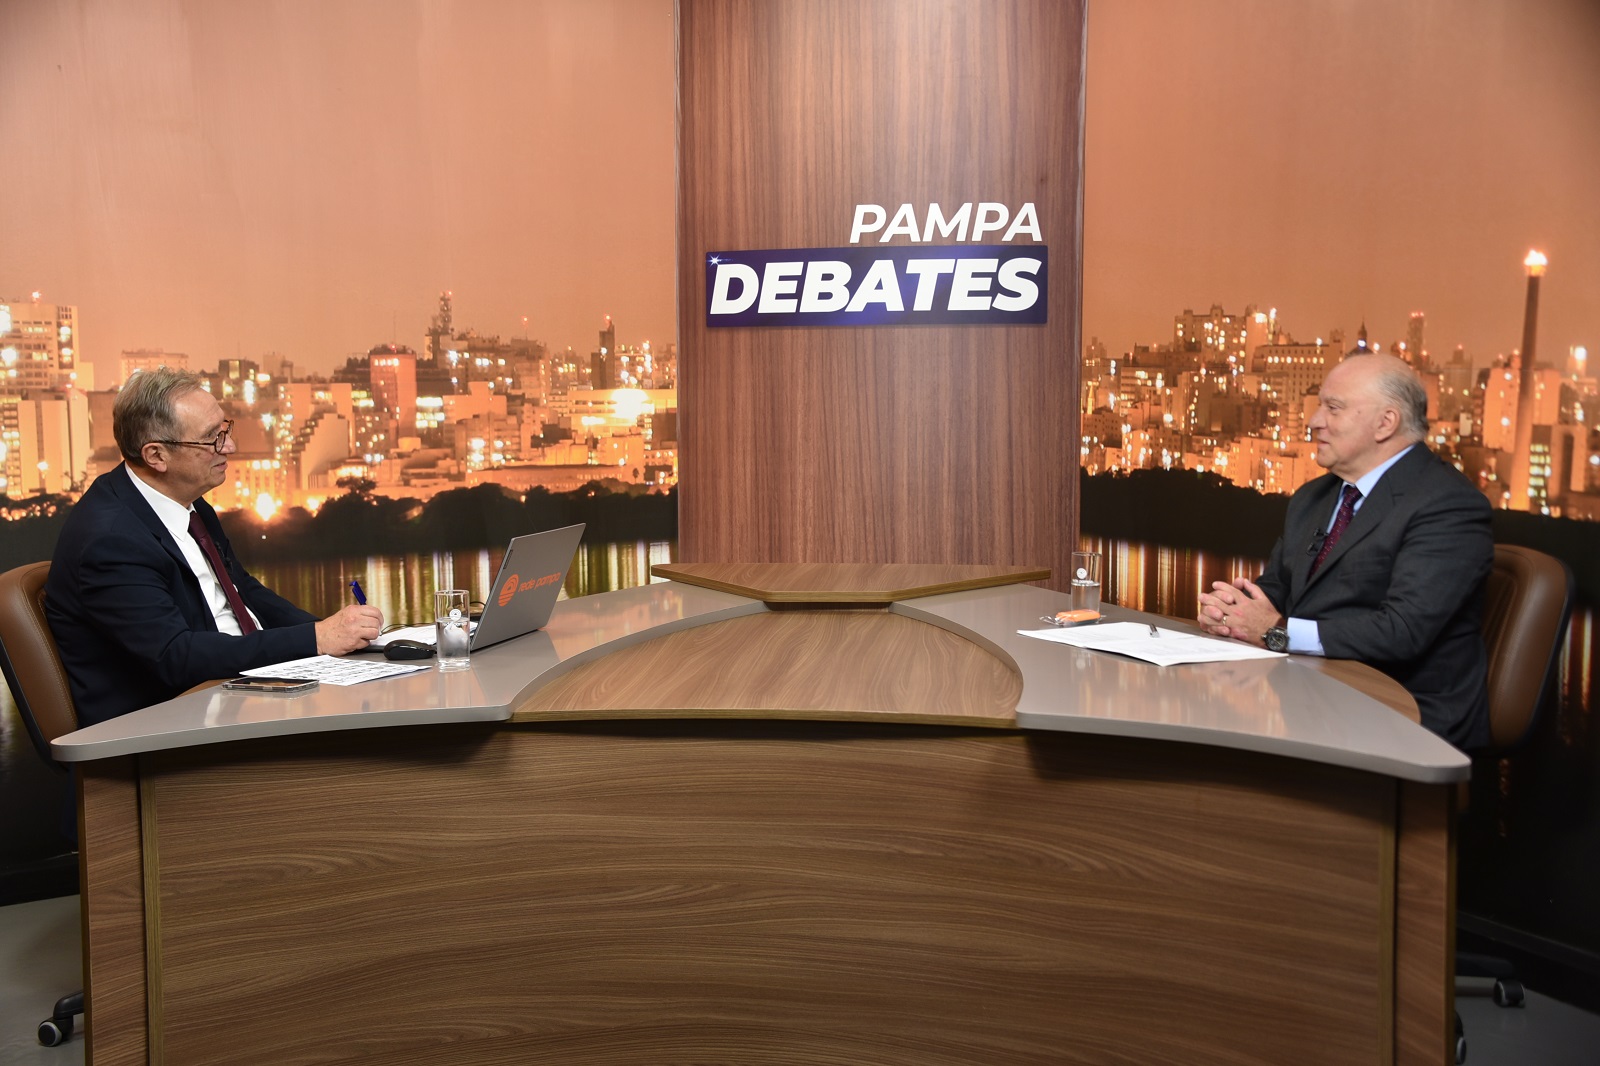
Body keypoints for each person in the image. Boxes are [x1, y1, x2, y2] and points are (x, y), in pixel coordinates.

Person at [46, 368, 383, 727]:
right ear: (156, 455)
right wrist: (316, 639)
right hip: (169, 730)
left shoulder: (189, 503)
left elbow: (243, 591)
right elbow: (176, 657)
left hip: (237, 696)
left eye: (225, 430)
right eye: (212, 439)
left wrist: (339, 638)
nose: (230, 447)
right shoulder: (110, 539)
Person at [1197, 352, 1493, 749]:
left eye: (1332, 408)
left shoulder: (1447, 505)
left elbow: (1402, 632)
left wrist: (1274, 632)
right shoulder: (1313, 497)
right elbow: (1277, 590)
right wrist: (1231, 612)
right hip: (1309, 697)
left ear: (1385, 423)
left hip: (1402, 718)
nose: (1314, 420)